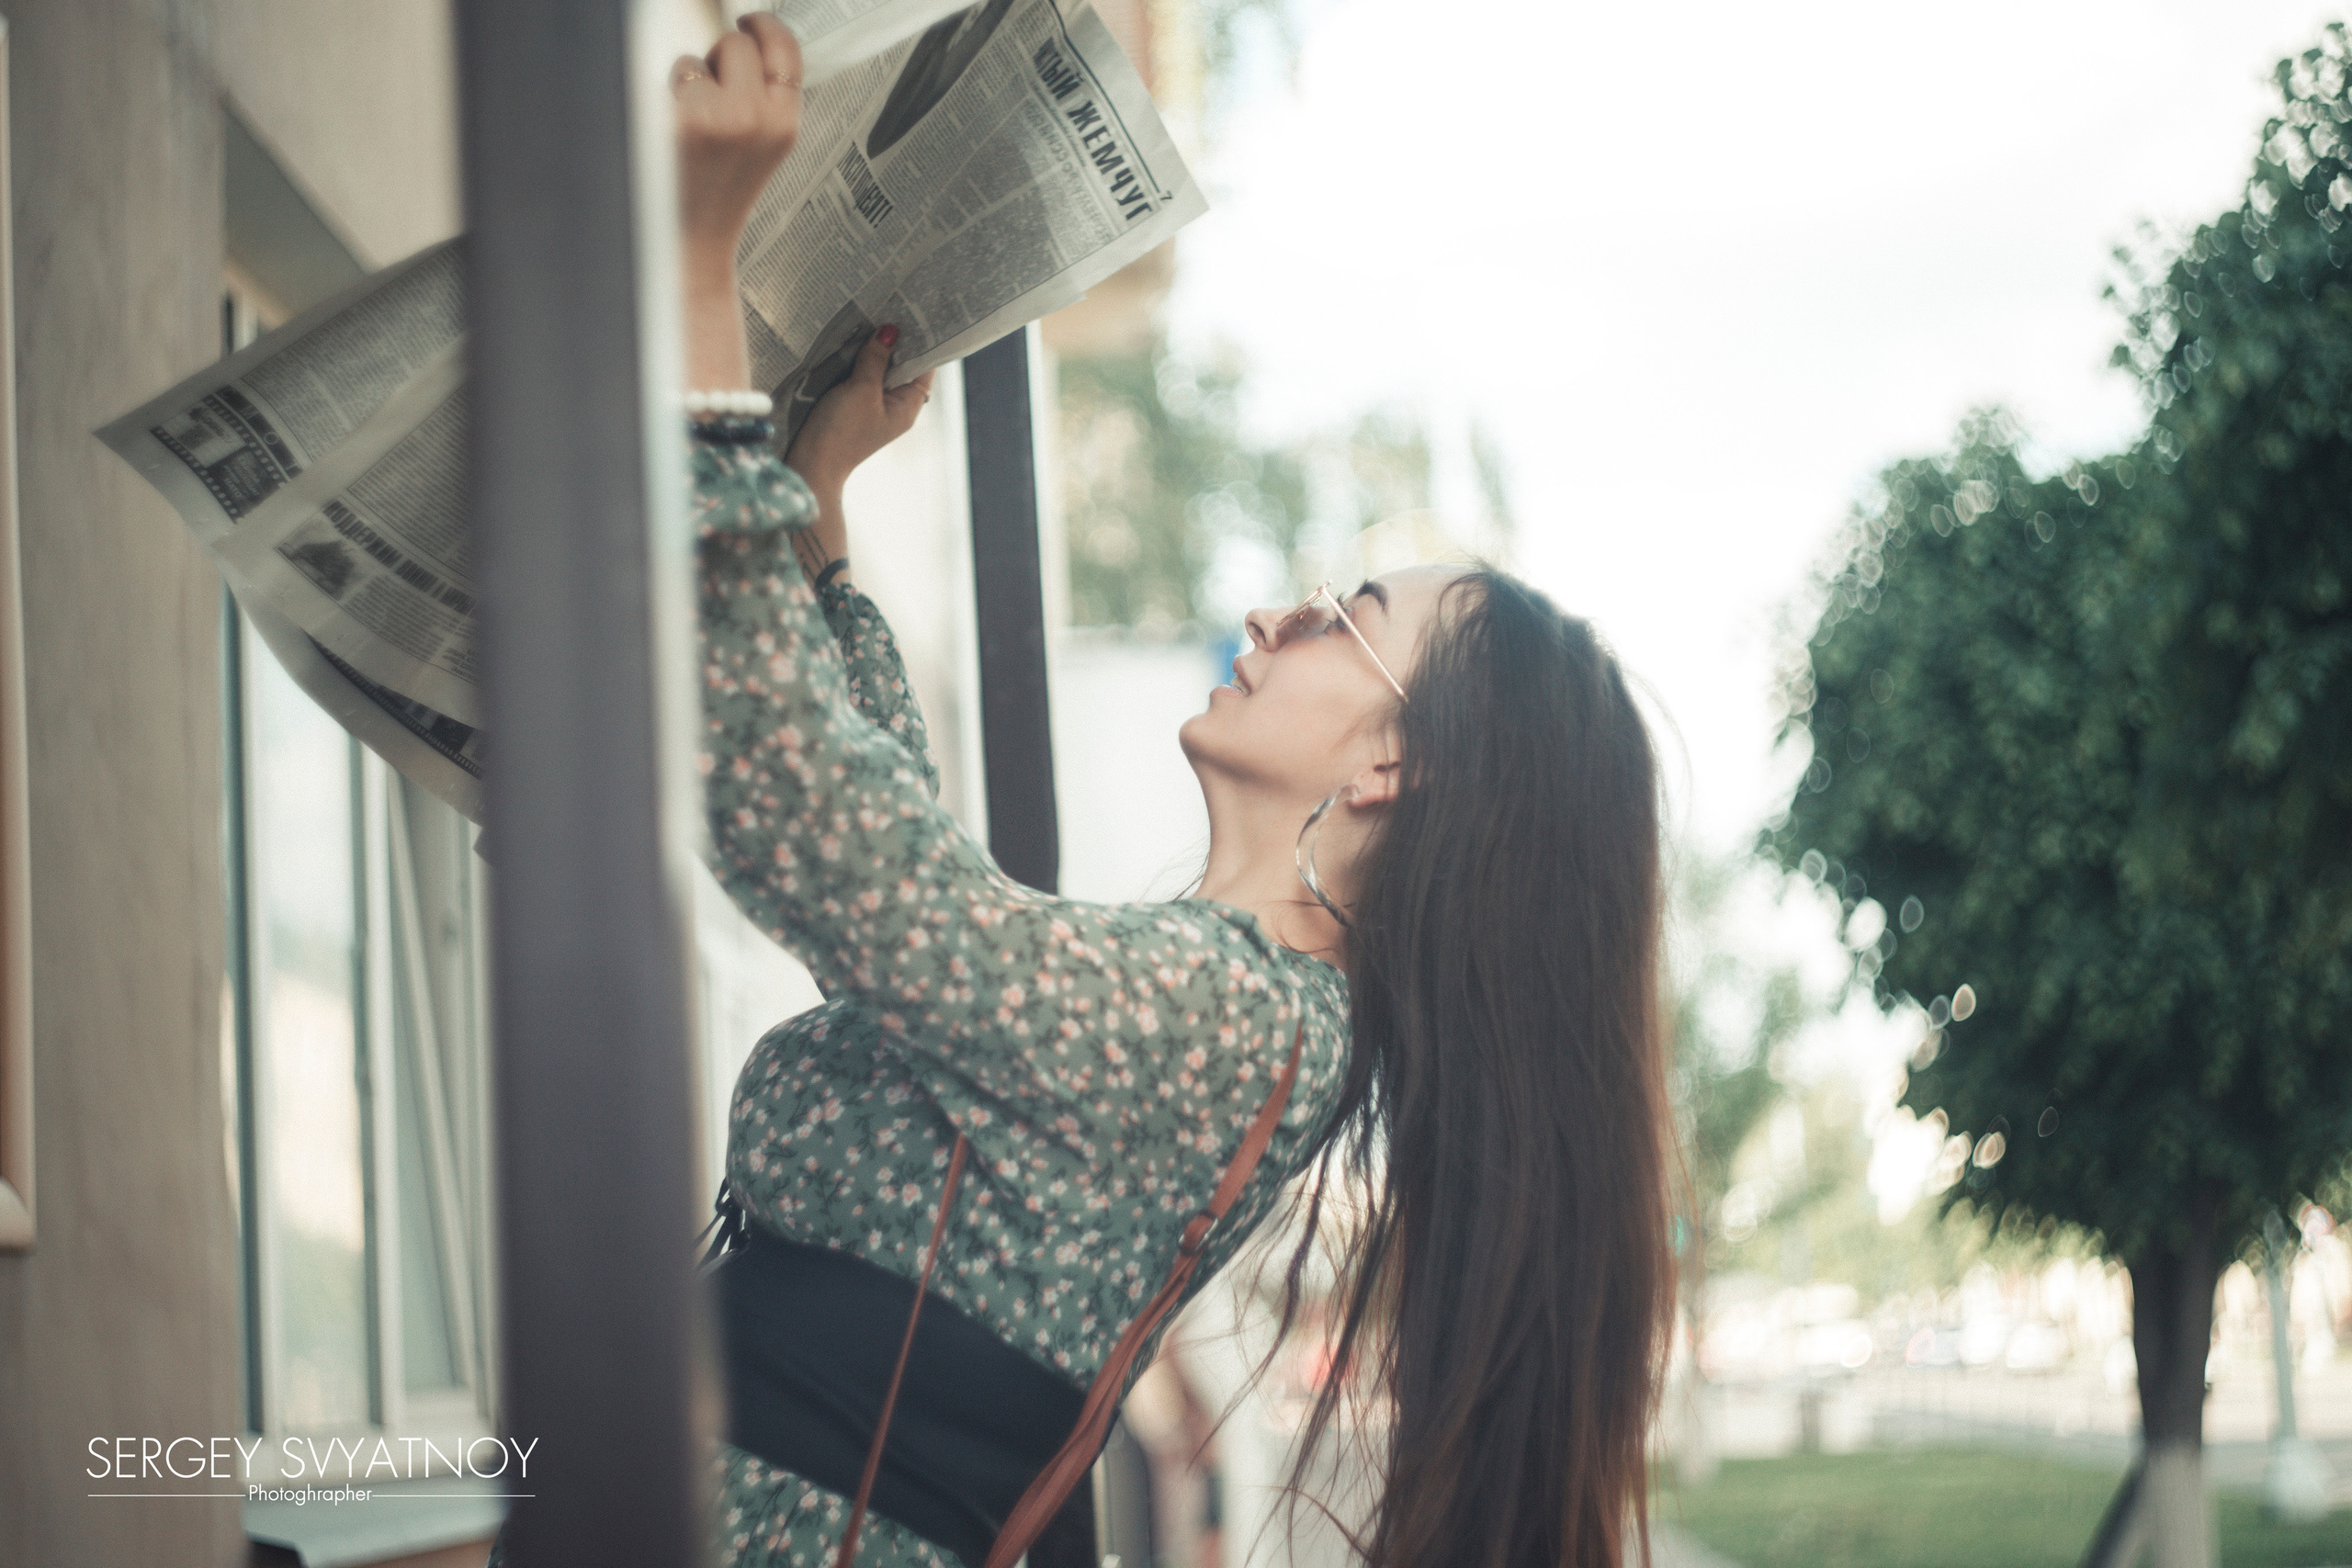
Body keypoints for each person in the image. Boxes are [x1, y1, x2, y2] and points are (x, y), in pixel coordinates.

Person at [663, 16, 1677, 1568]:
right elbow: (924, 910)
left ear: (1393, 765)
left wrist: (694, 255)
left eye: (1344, 619)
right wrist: (817, 527)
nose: (1273, 616)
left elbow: (835, 848)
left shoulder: (1235, 1021)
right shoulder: (1230, 1000)